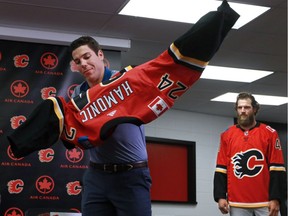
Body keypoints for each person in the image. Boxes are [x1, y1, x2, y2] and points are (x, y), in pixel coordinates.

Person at [69, 36, 152, 216]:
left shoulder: (125, 80)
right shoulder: (79, 93)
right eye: (78, 61)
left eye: (87, 56)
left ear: (100, 55)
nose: (83, 63)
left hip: (131, 174)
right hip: (96, 175)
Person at [213, 92, 286, 216]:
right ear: (236, 109)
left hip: (265, 202)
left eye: (247, 107)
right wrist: (220, 196)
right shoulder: (227, 135)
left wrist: (276, 198)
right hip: (237, 202)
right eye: (240, 107)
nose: (243, 111)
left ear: (255, 109)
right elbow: (221, 167)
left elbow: (277, 168)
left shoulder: (270, 133)